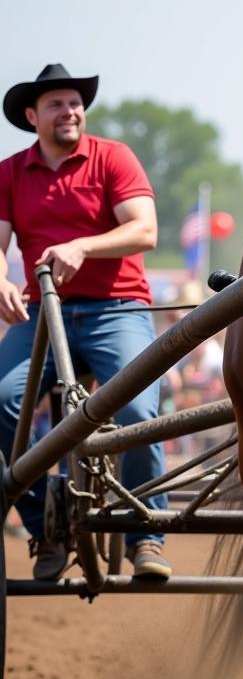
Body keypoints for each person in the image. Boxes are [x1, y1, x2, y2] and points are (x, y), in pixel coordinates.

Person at [0, 64, 170, 580]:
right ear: (32, 116)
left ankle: (147, 537)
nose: (70, 111)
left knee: (140, 407)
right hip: (41, 316)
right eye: (56, 104)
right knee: (2, 400)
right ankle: (44, 529)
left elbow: (145, 230)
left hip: (116, 308)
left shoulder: (113, 158)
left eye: (75, 102)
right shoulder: (9, 172)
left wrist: (82, 245)